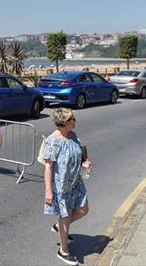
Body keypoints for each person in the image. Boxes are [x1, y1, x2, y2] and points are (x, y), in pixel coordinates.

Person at [44, 108, 89, 266]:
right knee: (65, 215)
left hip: (76, 182)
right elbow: (48, 167)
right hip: (61, 186)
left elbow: (81, 153)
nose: (75, 121)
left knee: (83, 209)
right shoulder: (53, 140)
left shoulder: (73, 136)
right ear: (64, 123)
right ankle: (63, 251)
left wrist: (85, 162)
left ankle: (59, 226)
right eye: (72, 119)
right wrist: (49, 192)